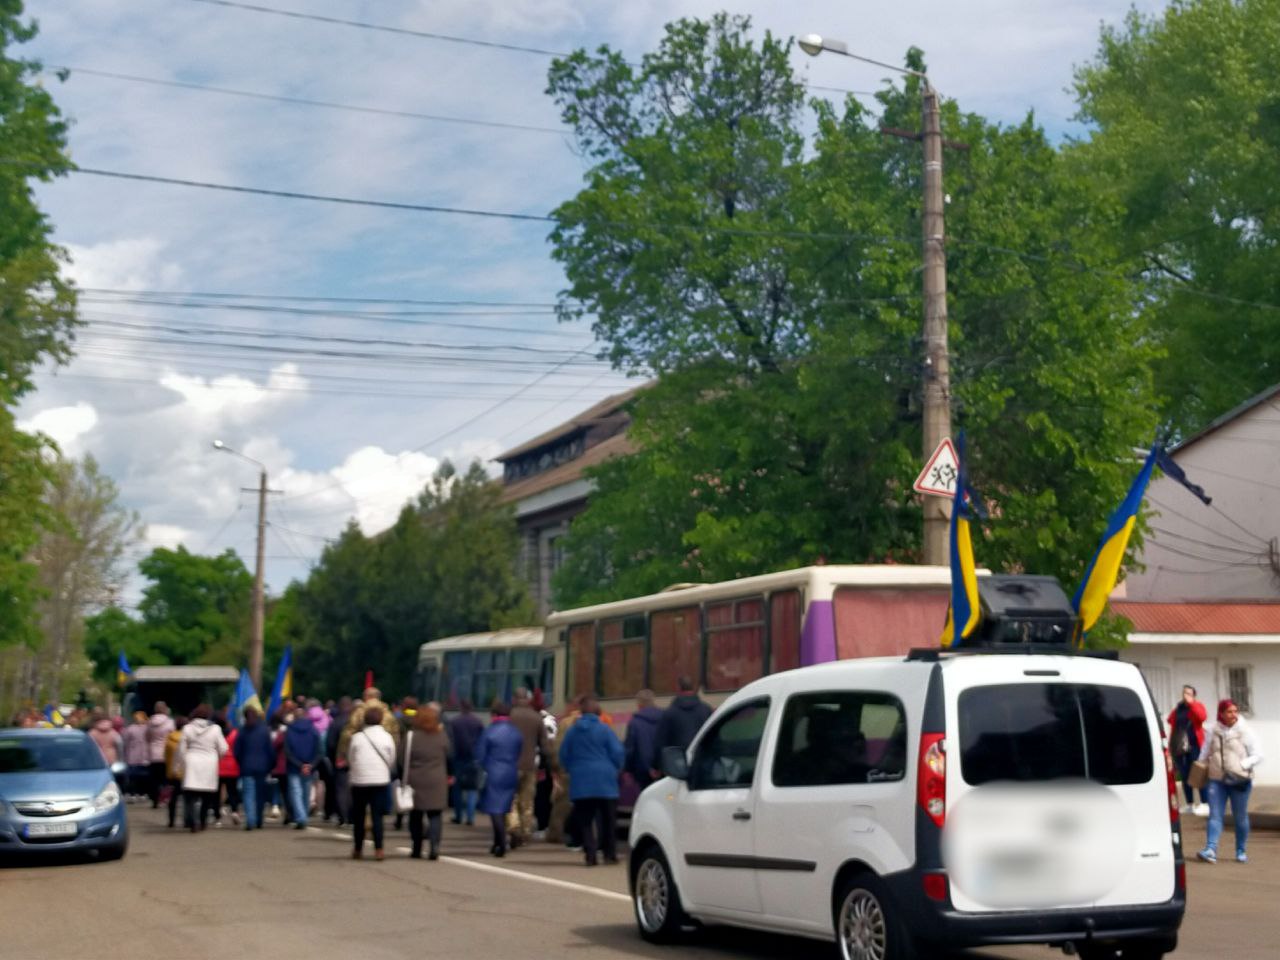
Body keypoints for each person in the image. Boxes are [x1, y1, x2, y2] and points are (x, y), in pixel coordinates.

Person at [558, 695, 625, 866]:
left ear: (581, 712)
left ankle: (590, 854)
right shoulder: (605, 730)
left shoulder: (573, 731)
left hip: (581, 780)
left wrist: (568, 768)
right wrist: (617, 767)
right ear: (597, 712)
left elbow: (564, 754)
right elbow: (617, 752)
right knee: (608, 819)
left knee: (585, 820)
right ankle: (610, 854)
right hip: (605, 780)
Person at [1196, 699, 1264, 864]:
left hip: (1239, 780)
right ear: (1221, 713)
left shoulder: (1245, 731)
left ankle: (1240, 850)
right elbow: (1204, 752)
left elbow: (1258, 755)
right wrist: (1200, 767)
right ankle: (1211, 849)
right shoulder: (1212, 730)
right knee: (1215, 815)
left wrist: (1241, 765)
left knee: (1239, 817)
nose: (1233, 715)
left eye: (1235, 711)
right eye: (1229, 712)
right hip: (1216, 780)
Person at [399, 704, 451, 860]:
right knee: (435, 815)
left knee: (415, 816)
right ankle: (434, 847)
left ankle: (416, 847)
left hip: (416, 780)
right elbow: (450, 756)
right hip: (437, 780)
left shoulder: (411, 737)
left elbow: (401, 760)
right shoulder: (441, 736)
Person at [475, 699, 524, 858]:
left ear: (494, 714)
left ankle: (501, 843)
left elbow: (480, 755)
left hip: (493, 773)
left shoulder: (489, 731)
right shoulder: (516, 732)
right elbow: (518, 752)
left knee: (495, 810)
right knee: (503, 808)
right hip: (510, 773)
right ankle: (497, 842)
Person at [348, 705, 396, 861]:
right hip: (380, 780)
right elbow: (391, 758)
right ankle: (379, 849)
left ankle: (357, 848)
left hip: (360, 780)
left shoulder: (357, 737)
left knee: (359, 816)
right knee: (377, 816)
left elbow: (351, 758)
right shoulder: (387, 737)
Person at [508, 688, 550, 849]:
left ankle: (514, 827)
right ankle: (525, 832)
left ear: (514, 699)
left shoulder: (510, 717)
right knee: (527, 801)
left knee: (511, 799)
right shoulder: (536, 717)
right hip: (530, 765)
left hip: (511, 765)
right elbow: (544, 744)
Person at [179, 704, 228, 832]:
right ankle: (203, 821)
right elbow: (224, 748)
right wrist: (217, 757)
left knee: (190, 796)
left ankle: (192, 821)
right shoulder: (215, 729)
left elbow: (181, 749)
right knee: (206, 797)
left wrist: (183, 762)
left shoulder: (187, 728)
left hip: (192, 763)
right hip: (209, 764)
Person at [653, 676, 713, 776]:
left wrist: (656, 766)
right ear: (693, 688)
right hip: (703, 764)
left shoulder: (669, 713)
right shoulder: (706, 710)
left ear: (678, 688)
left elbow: (660, 742)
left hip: (677, 767)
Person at [1167, 685, 1209, 816]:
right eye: (1185, 693)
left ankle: (1204, 803)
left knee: (1199, 773)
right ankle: (1190, 804)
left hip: (1195, 745)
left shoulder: (1197, 705)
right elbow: (1170, 720)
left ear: (1194, 695)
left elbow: (1202, 717)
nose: (1186, 695)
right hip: (1181, 746)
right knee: (1185, 775)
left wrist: (1192, 704)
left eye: (1189, 693)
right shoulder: (1179, 709)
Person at [234, 706, 276, 829]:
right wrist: (271, 765)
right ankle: (258, 819)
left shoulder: (242, 731)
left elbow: (237, 752)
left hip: (247, 766)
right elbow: (270, 751)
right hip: (262, 767)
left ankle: (250, 820)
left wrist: (241, 763)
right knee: (260, 796)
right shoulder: (264, 730)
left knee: (248, 795)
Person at [284, 706, 323, 830]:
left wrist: (299, 765)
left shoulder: (289, 731)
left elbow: (287, 751)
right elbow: (319, 751)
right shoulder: (314, 730)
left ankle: (301, 817)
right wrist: (310, 764)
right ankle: (303, 816)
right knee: (306, 794)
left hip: (294, 767)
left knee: (296, 793)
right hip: (310, 766)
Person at [447, 699, 484, 826]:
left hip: (458, 757)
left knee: (458, 788)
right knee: (472, 788)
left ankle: (458, 815)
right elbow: (481, 740)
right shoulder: (478, 722)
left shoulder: (454, 722)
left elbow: (451, 741)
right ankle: (470, 817)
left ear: (461, 707)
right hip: (474, 758)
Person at [623, 689, 664, 792]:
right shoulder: (665, 718)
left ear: (639, 704)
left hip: (643, 773)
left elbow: (630, 749)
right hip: (663, 770)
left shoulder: (634, 723)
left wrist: (627, 769)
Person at [325, 696, 353, 825]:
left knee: (341, 789)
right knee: (353, 789)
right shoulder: (356, 721)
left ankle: (343, 816)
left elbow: (330, 744)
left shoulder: (336, 722)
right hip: (356, 760)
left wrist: (333, 758)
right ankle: (352, 815)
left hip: (340, 760)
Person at [146, 701, 176, 807]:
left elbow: (147, 737)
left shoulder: (150, 722)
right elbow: (173, 736)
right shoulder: (170, 722)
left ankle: (155, 801)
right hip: (166, 754)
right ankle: (165, 799)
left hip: (153, 754)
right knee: (165, 779)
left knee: (154, 780)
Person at [216, 718, 242, 827]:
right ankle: (234, 811)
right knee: (232, 791)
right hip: (232, 765)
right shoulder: (235, 734)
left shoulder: (216, 734)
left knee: (217, 792)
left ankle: (218, 817)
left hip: (219, 765)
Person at [163, 717, 186, 828]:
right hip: (186, 772)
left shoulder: (169, 739)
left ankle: (171, 820)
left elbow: (166, 757)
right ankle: (187, 819)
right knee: (187, 797)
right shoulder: (187, 739)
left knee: (173, 798)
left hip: (172, 773)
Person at [122, 711, 150, 800]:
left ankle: (132, 794)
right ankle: (143, 793)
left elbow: (125, 742)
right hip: (145, 756)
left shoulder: (130, 729)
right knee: (143, 777)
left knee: (133, 776)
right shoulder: (148, 728)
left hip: (132, 755)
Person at [87, 711, 123, 775]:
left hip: (97, 759)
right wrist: (120, 759)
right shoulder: (113, 732)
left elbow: (88, 748)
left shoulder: (91, 733)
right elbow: (119, 745)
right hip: (111, 759)